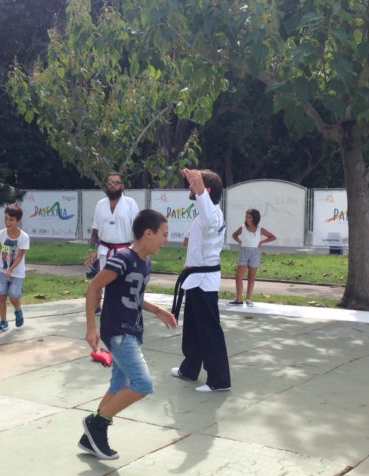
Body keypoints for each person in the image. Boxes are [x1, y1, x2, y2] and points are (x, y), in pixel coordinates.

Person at [80, 209, 178, 460]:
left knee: (119, 386)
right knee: (142, 384)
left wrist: (158, 311)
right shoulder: (122, 258)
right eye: (164, 234)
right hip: (119, 332)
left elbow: (134, 296)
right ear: (148, 233)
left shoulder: (145, 263)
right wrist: (91, 327)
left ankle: (90, 438)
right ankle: (96, 424)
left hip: (132, 331)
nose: (166, 239)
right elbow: (93, 288)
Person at [170, 168, 231, 393]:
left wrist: (200, 189)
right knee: (193, 329)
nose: (190, 187)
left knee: (209, 331)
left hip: (204, 281)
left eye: (194, 185)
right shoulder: (206, 214)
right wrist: (196, 183)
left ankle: (219, 380)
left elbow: (205, 211)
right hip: (196, 279)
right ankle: (189, 369)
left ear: (207, 190)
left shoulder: (212, 214)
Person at [84, 172, 140, 315]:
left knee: (123, 283)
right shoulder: (100, 204)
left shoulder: (130, 203)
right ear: (106, 185)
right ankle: (102, 308)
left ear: (122, 186)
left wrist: (137, 251)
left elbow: (136, 229)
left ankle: (122, 310)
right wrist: (91, 250)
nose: (113, 185)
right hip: (104, 250)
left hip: (124, 250)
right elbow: (95, 229)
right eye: (110, 182)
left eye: (116, 183)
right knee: (103, 282)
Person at [0, 203, 30, 332]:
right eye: (6, 218)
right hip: (2, 271)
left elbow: (19, 256)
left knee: (14, 298)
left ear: (18, 221)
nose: (7, 222)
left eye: (11, 220)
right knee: (1, 296)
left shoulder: (24, 237)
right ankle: (3, 322)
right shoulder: (0, 234)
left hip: (17, 273)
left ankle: (18, 310)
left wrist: (11, 269)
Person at [229, 209, 276, 306]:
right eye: (246, 217)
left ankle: (248, 299)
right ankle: (238, 299)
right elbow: (234, 235)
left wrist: (261, 242)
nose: (247, 219)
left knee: (251, 277)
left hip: (255, 253)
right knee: (238, 276)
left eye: (250, 217)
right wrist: (240, 242)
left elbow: (272, 237)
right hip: (244, 252)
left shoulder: (260, 229)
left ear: (255, 218)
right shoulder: (242, 228)